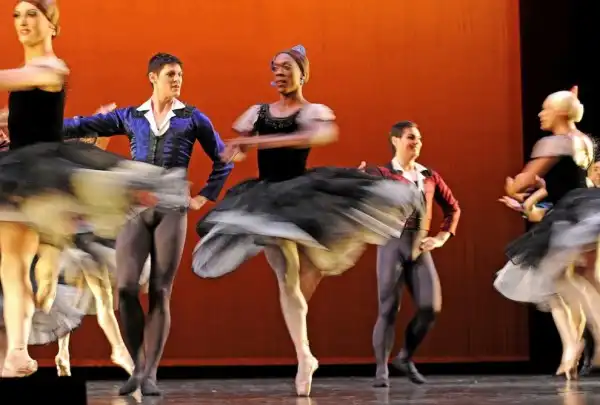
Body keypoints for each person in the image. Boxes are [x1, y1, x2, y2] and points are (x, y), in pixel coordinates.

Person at [193, 45, 423, 397]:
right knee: (287, 280)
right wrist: (235, 150)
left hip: (300, 197)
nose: (280, 72)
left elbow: (316, 135)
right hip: (266, 201)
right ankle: (305, 356)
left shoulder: (312, 111)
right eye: (276, 67)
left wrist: (259, 141)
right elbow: (237, 148)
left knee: (300, 273)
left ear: (303, 73)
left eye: (287, 67)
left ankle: (305, 343)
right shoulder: (258, 112)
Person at [0, 1, 189, 378]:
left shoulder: (51, 67)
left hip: (44, 175)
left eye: (32, 14)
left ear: (52, 25)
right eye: (17, 15)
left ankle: (51, 347)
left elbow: (14, 80)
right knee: (12, 264)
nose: (22, 22)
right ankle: (17, 353)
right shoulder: (26, 75)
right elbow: (17, 109)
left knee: (46, 273)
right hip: (17, 175)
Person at [61, 52, 233, 396]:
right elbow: (82, 125)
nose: (177, 80)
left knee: (160, 290)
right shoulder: (131, 116)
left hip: (172, 207)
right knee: (126, 288)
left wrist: (204, 196)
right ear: (153, 77)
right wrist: (35, 124)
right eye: (171, 74)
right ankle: (138, 365)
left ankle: (150, 372)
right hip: (136, 208)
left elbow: (223, 159)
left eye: (180, 74)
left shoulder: (192, 118)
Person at [497, 86, 599, 378]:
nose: (541, 114)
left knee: (561, 278)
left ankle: (580, 343)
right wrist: (532, 197)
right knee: (572, 281)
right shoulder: (584, 141)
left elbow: (523, 181)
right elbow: (563, 182)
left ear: (560, 113)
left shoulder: (554, 143)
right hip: (585, 210)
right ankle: (576, 348)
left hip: (570, 215)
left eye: (546, 109)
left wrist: (514, 186)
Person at [358, 121, 460, 386]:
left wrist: (441, 237)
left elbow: (453, 208)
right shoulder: (382, 173)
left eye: (419, 138)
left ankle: (405, 356)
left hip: (419, 248)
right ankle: (381, 370)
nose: (417, 142)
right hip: (392, 245)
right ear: (395, 140)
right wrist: (354, 180)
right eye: (411, 137)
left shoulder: (429, 176)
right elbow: (359, 189)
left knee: (430, 307)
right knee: (388, 309)